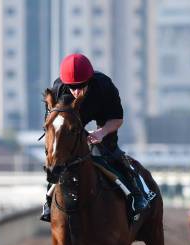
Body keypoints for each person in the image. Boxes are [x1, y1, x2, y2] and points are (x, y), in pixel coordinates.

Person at [40, 53, 152, 222]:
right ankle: (49, 201)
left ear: (90, 80)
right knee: (59, 158)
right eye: (72, 87)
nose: (76, 92)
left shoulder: (104, 86)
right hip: (70, 124)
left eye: (81, 86)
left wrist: (101, 132)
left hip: (103, 121)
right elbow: (51, 124)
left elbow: (117, 119)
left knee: (109, 152)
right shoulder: (58, 89)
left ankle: (136, 195)